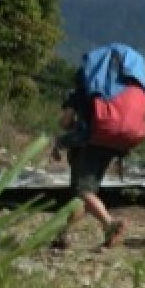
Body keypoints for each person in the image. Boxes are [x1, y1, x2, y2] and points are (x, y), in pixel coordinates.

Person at [50, 83, 126, 250]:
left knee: (83, 192)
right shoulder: (114, 90)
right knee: (83, 196)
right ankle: (62, 235)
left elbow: (65, 121)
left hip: (86, 147)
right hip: (109, 145)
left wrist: (61, 136)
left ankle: (111, 225)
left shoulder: (81, 91)